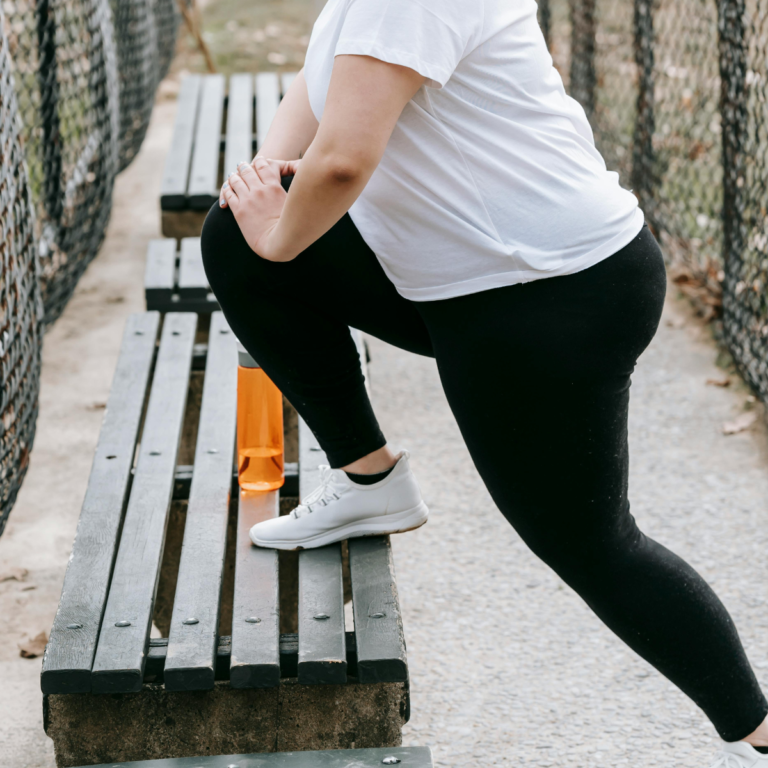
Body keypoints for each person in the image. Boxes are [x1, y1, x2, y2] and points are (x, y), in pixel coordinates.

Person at [200, 0, 768, 763]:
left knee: (593, 546)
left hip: (548, 295)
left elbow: (340, 162)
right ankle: (371, 481)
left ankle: (755, 726)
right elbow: (312, 94)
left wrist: (279, 234)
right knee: (236, 239)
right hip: (466, 282)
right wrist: (263, 195)